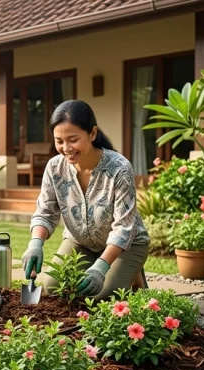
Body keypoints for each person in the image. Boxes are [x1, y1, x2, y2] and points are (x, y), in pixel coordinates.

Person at [21, 99, 150, 300]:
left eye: (73, 139)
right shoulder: (54, 167)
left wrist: (101, 267)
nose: (66, 148)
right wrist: (36, 243)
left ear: (92, 133)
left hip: (127, 245)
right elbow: (45, 212)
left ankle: (131, 272)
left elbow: (124, 228)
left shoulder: (119, 168)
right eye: (59, 141)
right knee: (54, 288)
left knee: (103, 298)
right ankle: (123, 272)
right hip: (81, 243)